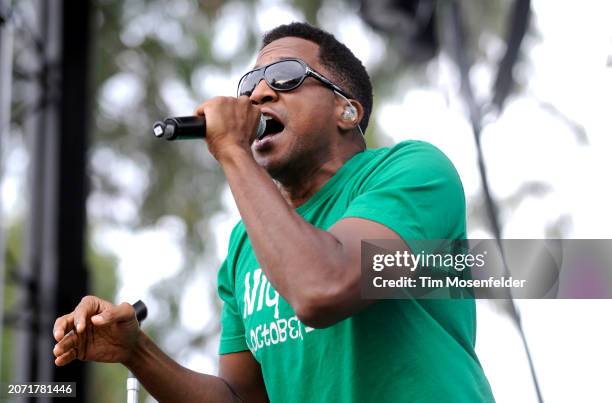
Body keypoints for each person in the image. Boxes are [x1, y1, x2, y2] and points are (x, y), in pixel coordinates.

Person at [52, 22, 495, 402]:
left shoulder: (410, 171)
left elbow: (324, 286)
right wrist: (137, 351)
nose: (260, 93)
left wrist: (230, 149)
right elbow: (242, 397)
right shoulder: (247, 244)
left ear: (347, 109)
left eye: (286, 76)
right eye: (250, 84)